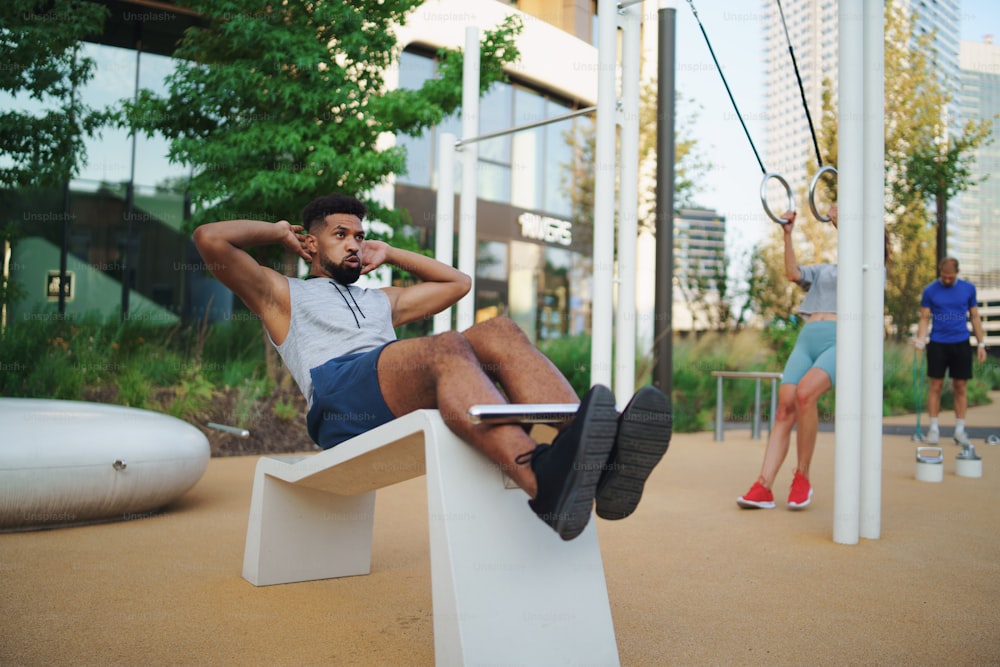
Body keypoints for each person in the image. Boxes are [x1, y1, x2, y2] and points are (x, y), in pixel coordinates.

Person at [192, 193, 672, 541]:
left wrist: (392, 252)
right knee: (445, 348)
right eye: (341, 235)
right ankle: (542, 483)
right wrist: (275, 233)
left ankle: (596, 454)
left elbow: (458, 283)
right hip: (338, 399)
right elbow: (209, 238)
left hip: (389, 382)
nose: (354, 244)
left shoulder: (383, 300)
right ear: (311, 245)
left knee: (499, 331)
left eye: (360, 236)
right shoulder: (280, 293)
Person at [737, 206, 837, 510]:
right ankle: (763, 487)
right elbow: (793, 273)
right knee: (784, 408)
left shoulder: (868, 268)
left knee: (806, 395)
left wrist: (842, 219)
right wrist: (787, 234)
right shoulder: (822, 271)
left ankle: (802, 477)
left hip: (839, 339)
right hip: (808, 339)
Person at [913, 257, 988, 447]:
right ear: (940, 273)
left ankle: (960, 431)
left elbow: (975, 316)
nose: (947, 280)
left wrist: (981, 344)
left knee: (960, 387)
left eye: (950, 277)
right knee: (935, 386)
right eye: (944, 277)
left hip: (961, 342)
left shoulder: (968, 289)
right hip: (938, 343)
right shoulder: (930, 290)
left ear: (957, 273)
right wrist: (922, 338)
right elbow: (924, 318)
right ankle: (933, 430)